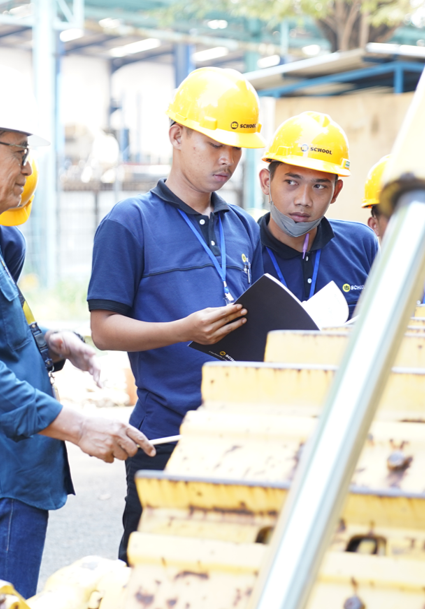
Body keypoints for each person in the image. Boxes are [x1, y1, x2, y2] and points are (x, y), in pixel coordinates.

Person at [0, 64, 151, 597]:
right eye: (18, 151)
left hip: (4, 472)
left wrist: (47, 345)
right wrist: (79, 426)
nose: (26, 167)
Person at [87, 67, 263, 563]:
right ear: (175, 135)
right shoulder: (130, 222)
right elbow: (103, 330)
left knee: (227, 570)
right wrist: (183, 331)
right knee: (150, 571)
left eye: (236, 148)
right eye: (213, 144)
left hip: (237, 433)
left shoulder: (243, 226)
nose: (226, 159)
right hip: (164, 435)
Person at [249, 111, 378, 316]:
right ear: (266, 182)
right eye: (291, 182)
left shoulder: (360, 244)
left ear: (335, 192)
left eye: (319, 186)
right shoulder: (244, 252)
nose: (304, 200)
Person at [361, 153, 425, 303]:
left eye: (413, 212)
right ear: (374, 225)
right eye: (393, 214)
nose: (404, 223)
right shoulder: (359, 288)